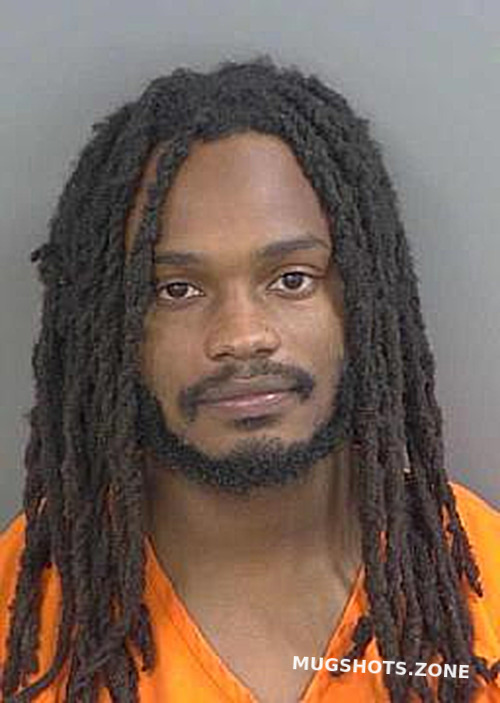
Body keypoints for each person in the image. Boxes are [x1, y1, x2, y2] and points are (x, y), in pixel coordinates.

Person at [0, 55, 498, 703]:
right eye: (176, 289)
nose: (241, 335)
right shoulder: (29, 608)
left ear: (365, 298)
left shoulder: (480, 580)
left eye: (292, 279)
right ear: (110, 326)